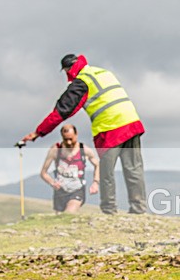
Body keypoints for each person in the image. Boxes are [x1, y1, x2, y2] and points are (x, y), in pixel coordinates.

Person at [21, 54, 146, 214]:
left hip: (110, 127)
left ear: (68, 70)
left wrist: (38, 132)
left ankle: (109, 210)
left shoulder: (82, 82)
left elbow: (61, 111)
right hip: (131, 122)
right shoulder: (103, 72)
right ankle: (138, 209)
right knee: (134, 168)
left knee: (106, 172)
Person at [39, 124, 100, 213]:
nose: (69, 142)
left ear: (76, 135)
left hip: (77, 189)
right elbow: (43, 173)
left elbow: (97, 165)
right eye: (66, 139)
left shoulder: (84, 150)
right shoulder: (56, 150)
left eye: (71, 139)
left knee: (69, 212)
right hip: (60, 190)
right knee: (60, 218)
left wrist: (95, 183)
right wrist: (52, 183)